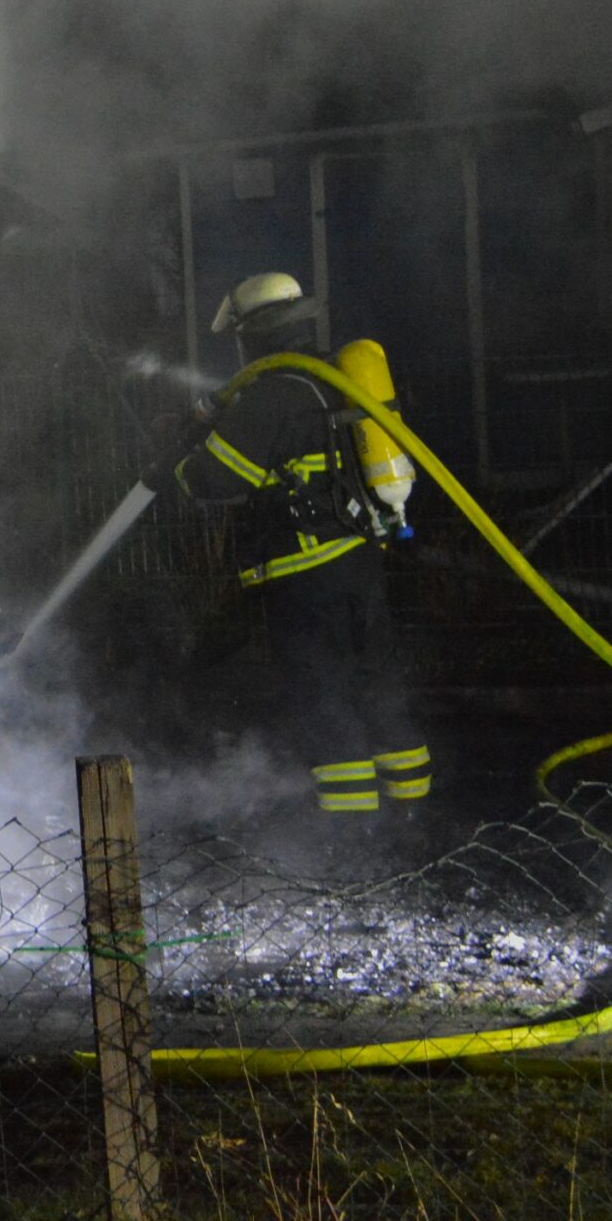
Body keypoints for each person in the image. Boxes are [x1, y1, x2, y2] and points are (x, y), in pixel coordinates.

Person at [148, 274, 429, 833]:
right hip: (359, 558)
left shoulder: (269, 394)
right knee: (373, 678)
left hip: (305, 570)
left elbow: (218, 478)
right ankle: (412, 812)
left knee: (321, 691)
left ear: (250, 335)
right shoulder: (334, 379)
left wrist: (173, 468)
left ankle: (350, 839)